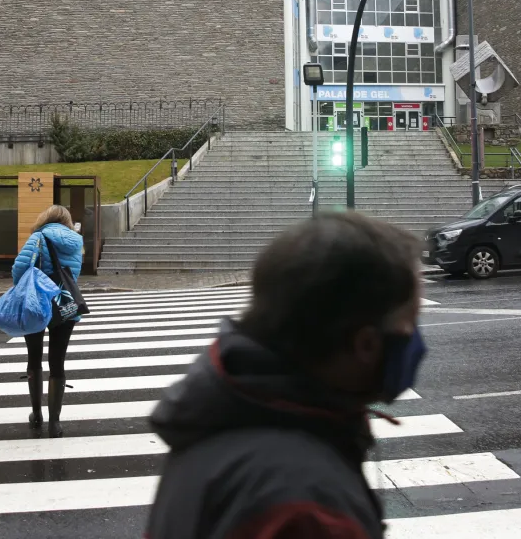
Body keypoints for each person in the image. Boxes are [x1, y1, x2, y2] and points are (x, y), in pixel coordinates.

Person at [147, 212, 425, 539]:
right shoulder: (309, 508)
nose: (416, 340)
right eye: (411, 323)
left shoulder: (222, 419)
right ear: (366, 344)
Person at [11, 204, 84, 438]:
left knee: (34, 357)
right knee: (57, 362)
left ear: (46, 218)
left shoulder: (38, 237)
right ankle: (55, 423)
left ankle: (36, 414)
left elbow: (19, 269)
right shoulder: (76, 242)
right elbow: (73, 273)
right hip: (65, 304)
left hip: (36, 304)